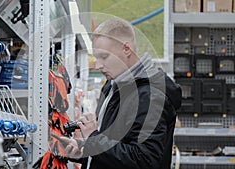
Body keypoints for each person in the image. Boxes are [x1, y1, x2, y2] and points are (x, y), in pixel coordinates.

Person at [61, 18, 182, 169]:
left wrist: (93, 138)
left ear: (126, 49)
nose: (98, 65)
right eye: (96, 58)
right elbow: (115, 146)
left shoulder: (150, 95)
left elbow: (145, 160)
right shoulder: (113, 85)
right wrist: (83, 150)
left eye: (104, 57)